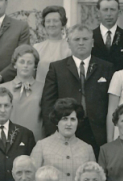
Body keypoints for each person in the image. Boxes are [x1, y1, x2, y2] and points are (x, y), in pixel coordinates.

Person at [41, 23, 114, 152]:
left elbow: (111, 103)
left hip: (97, 132)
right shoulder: (57, 68)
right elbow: (48, 104)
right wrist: (53, 133)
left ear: (92, 42)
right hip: (66, 129)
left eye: (85, 39)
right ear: (68, 43)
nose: (81, 43)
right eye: (76, 39)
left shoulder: (106, 68)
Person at [31, 98, 96, 181]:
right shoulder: (42, 146)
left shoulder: (87, 149)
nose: (69, 124)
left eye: (73, 119)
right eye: (64, 119)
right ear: (57, 121)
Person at [4, 44, 45, 139]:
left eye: (29, 63)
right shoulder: (3, 88)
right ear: (15, 64)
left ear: (35, 66)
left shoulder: (43, 88)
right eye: (22, 62)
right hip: (9, 138)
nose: (25, 66)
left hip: (36, 138)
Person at [90, 0, 123, 71]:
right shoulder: (89, 37)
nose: (109, 14)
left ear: (118, 12)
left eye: (112, 10)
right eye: (105, 10)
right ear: (98, 12)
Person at [33, 5, 71, 82]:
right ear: (44, 24)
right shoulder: (36, 48)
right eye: (48, 21)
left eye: (55, 21)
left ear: (62, 23)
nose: (51, 24)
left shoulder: (70, 48)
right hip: (40, 91)